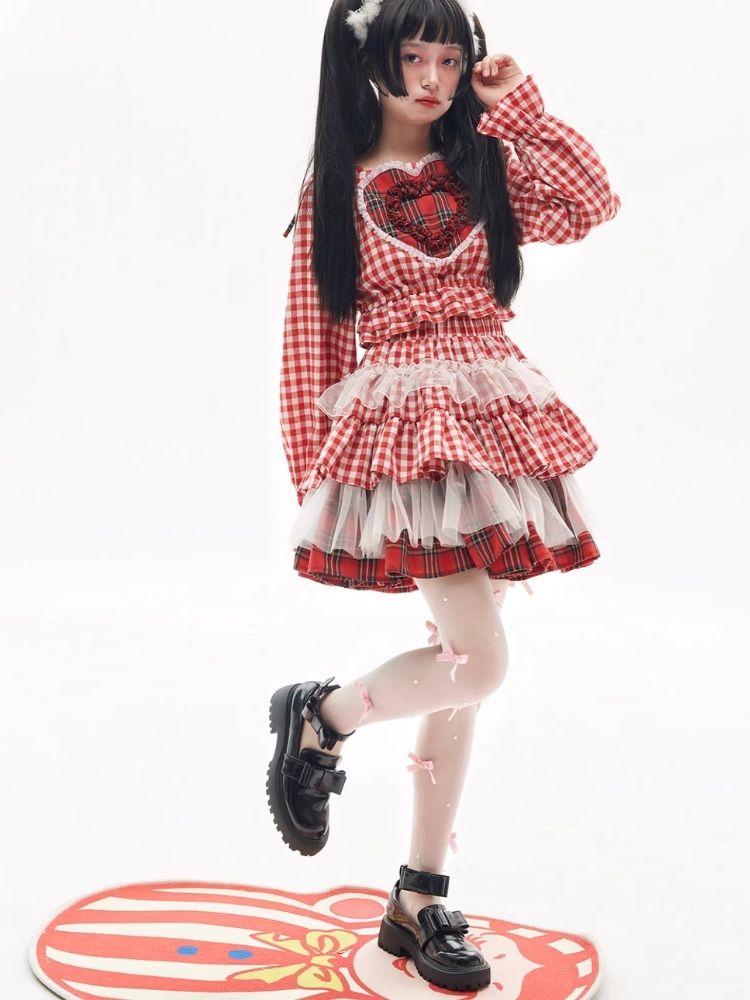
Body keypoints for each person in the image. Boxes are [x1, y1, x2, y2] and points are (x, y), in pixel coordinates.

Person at [267, 0, 621, 990]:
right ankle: (325, 715)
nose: (433, 79)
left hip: (496, 422)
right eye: (412, 57)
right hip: (403, 437)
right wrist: (320, 486)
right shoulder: (336, 190)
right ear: (365, 63)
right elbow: (311, 346)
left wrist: (521, 105)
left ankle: (419, 897)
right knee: (478, 661)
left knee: (458, 664)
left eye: (449, 59)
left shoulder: (483, 163)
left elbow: (592, 203)